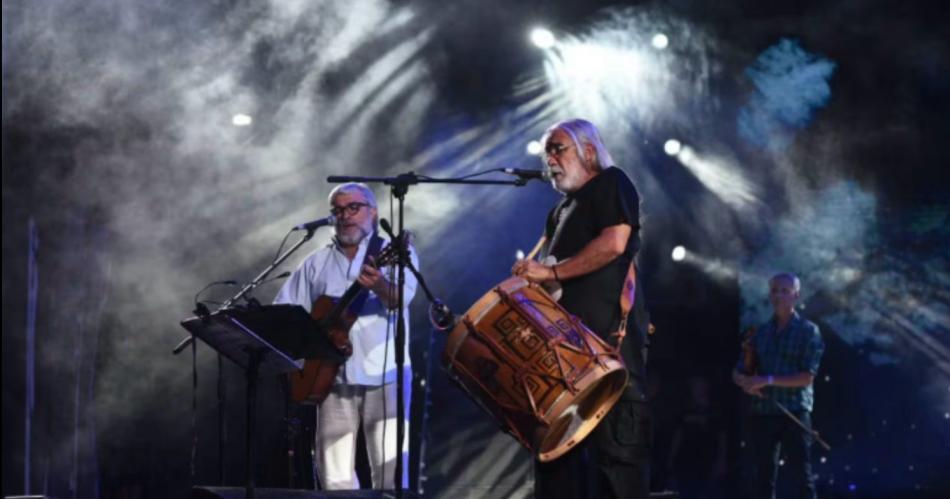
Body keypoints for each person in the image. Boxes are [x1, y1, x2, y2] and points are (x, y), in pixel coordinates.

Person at [512, 118, 652, 499]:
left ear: (589, 151)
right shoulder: (558, 212)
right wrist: (533, 283)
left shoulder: (611, 182)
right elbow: (557, 286)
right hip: (564, 366)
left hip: (609, 358)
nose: (550, 160)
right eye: (547, 153)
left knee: (617, 476)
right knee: (557, 476)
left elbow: (614, 243)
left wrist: (551, 271)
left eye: (558, 149)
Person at [274, 182, 417, 490]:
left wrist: (379, 285)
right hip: (329, 376)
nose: (345, 216)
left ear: (373, 212)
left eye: (353, 207)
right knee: (333, 475)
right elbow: (284, 311)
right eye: (338, 210)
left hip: (384, 373)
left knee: (390, 472)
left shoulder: (395, 252)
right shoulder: (315, 262)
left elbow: (399, 299)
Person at [732, 272, 824, 499]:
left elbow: (807, 377)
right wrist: (743, 380)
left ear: (796, 295)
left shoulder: (808, 331)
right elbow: (740, 369)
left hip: (794, 411)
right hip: (764, 413)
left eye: (784, 291)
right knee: (763, 478)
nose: (778, 295)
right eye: (774, 291)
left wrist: (767, 380)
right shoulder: (760, 333)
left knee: (801, 476)